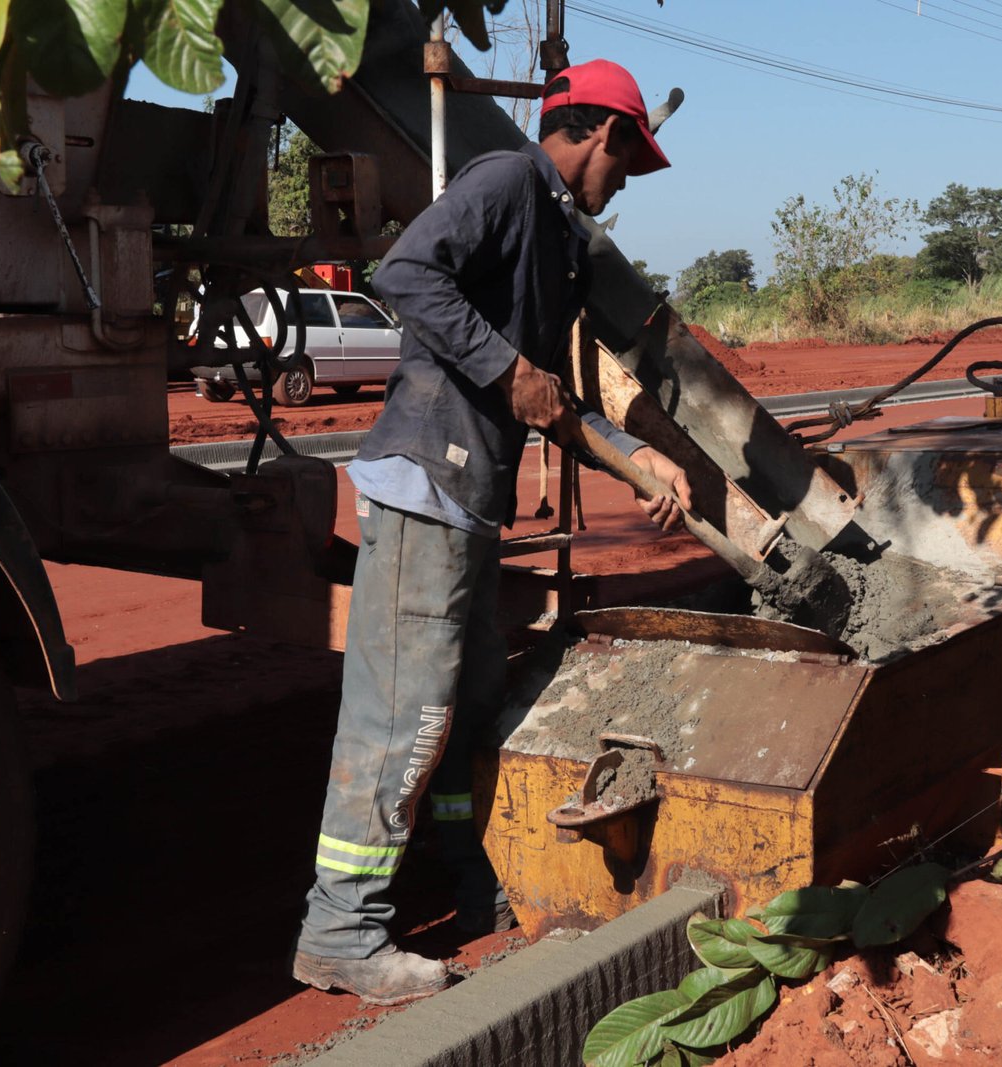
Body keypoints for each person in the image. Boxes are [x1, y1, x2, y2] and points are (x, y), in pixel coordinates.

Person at [291, 59, 693, 1006]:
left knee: (468, 706)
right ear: (602, 132)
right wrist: (507, 367)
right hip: (425, 483)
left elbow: (550, 401)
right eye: (628, 160)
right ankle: (339, 930)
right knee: (405, 718)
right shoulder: (507, 180)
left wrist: (648, 464)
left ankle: (472, 881)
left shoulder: (554, 237)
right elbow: (403, 271)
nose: (626, 181)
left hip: (467, 502)